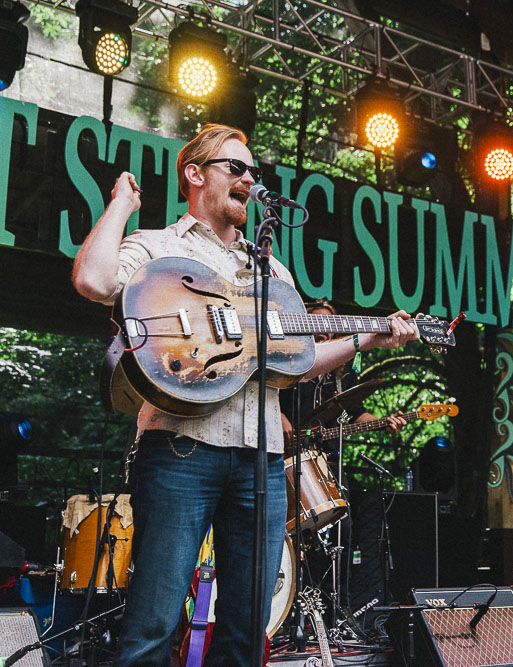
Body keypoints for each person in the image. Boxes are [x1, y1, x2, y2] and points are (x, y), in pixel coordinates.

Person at [71, 124, 420, 665]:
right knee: (154, 622)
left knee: (246, 630)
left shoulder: (271, 271)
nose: (249, 179)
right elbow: (93, 281)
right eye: (236, 168)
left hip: (261, 462)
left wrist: (364, 339)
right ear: (195, 174)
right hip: (180, 449)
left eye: (254, 172)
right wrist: (120, 204)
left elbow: (298, 365)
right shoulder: (160, 247)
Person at [279, 298, 406, 451]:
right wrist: (278, 416)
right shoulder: (288, 359)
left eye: (328, 324)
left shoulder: (345, 372)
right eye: (316, 322)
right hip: (283, 451)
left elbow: (356, 413)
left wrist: (384, 423)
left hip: (325, 455)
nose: (323, 327)